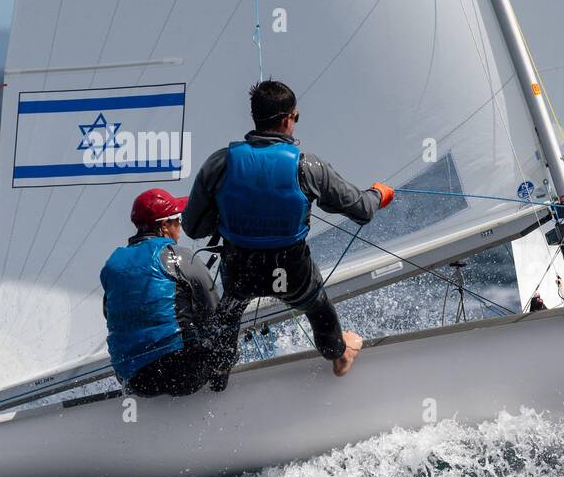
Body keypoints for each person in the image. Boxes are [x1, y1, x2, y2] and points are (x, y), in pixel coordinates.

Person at [183, 80, 394, 387]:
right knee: (315, 304)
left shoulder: (220, 163)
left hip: (241, 269)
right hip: (291, 270)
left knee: (229, 312)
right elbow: (361, 209)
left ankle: (218, 377)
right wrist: (379, 193)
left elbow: (192, 227)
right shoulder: (307, 166)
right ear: (287, 120)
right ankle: (339, 355)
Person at [101, 188, 224, 397]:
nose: (180, 227)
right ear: (164, 226)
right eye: (178, 220)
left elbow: (109, 314)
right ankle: (223, 397)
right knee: (224, 342)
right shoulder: (177, 256)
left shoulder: (112, 265)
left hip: (134, 382)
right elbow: (214, 311)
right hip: (183, 374)